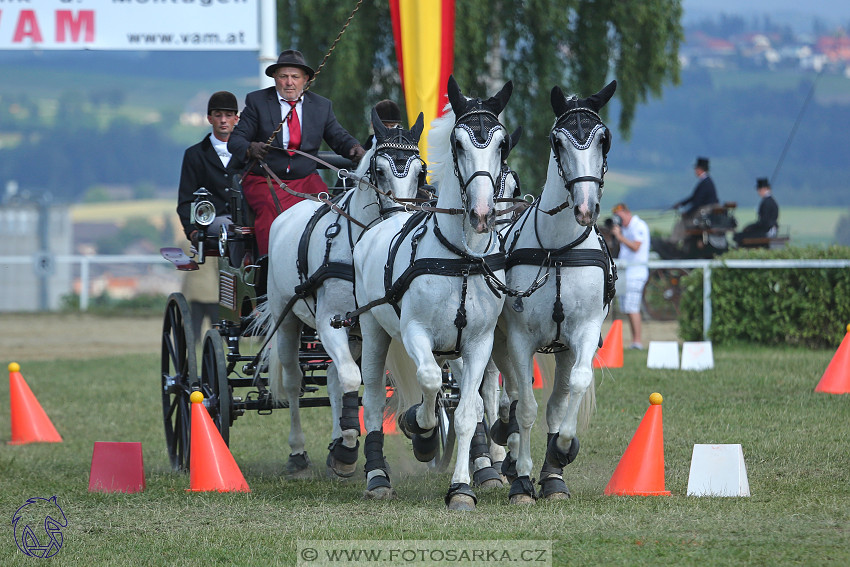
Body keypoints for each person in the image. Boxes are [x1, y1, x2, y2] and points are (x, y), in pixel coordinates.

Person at [227, 49, 365, 255]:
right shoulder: (257, 102)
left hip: (305, 178)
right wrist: (250, 148)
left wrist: (355, 149)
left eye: (295, 77)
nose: (289, 82)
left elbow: (338, 137)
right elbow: (235, 141)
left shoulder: (321, 106)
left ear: (306, 79)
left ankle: (323, 265)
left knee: (328, 211)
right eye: (283, 76)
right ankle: (267, 268)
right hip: (265, 179)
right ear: (275, 77)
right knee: (271, 215)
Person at [176, 90, 240, 341]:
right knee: (227, 227)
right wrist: (192, 229)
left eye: (228, 115)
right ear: (209, 118)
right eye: (218, 115)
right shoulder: (195, 155)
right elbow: (185, 199)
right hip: (214, 225)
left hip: (245, 224)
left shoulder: (249, 152)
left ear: (237, 118)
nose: (223, 120)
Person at [610, 202, 651, 350]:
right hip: (627, 272)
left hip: (637, 272)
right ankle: (634, 341)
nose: (620, 220)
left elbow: (636, 247)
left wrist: (619, 237)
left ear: (628, 213)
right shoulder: (625, 228)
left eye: (621, 216)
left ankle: (637, 341)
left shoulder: (638, 226)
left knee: (633, 308)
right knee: (627, 308)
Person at [671, 156, 719, 242]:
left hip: (704, 211)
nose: (695, 171)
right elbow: (694, 198)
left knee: (682, 222)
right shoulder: (706, 181)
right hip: (704, 210)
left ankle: (674, 241)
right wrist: (681, 204)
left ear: (699, 169)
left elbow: (697, 202)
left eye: (696, 169)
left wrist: (687, 212)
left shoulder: (705, 183)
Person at [734, 177, 779, 244]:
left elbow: (764, 222)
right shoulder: (772, 201)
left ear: (763, 189)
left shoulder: (766, 202)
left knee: (738, 237)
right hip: (770, 229)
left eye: (759, 190)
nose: (758, 192)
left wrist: (751, 227)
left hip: (766, 231)